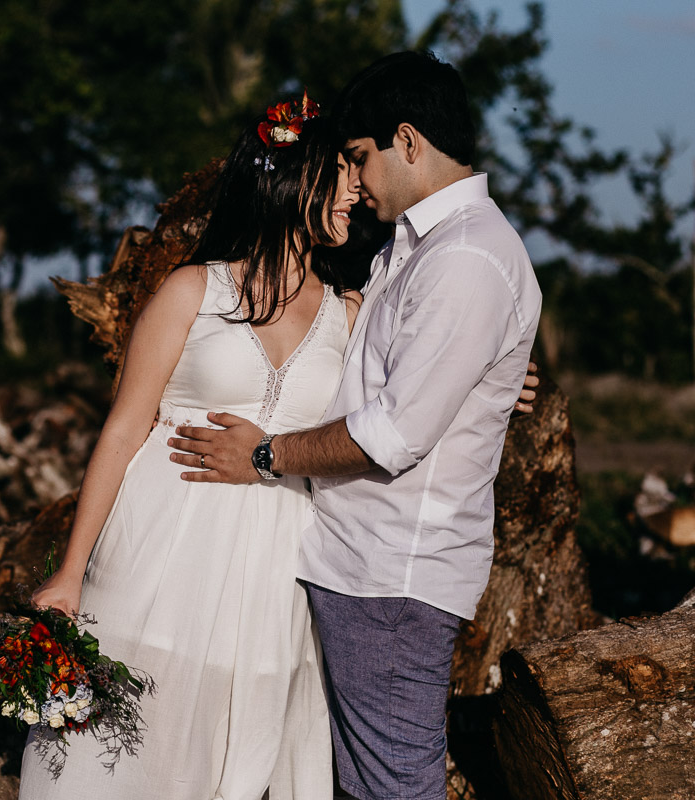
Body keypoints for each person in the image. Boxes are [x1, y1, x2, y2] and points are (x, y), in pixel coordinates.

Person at [168, 52, 543, 800]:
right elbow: (394, 372)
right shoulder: (421, 245)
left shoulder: (467, 255)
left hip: (392, 576)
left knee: (391, 789)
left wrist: (266, 454)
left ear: (407, 141)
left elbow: (393, 433)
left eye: (358, 158)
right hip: (359, 565)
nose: (354, 180)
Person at [20, 92, 359, 799]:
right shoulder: (191, 290)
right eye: (343, 169)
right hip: (167, 550)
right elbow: (124, 428)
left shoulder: (352, 311)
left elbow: (421, 385)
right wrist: (71, 570)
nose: (357, 188)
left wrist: (506, 381)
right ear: (295, 177)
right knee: (143, 733)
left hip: (281, 564)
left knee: (251, 738)